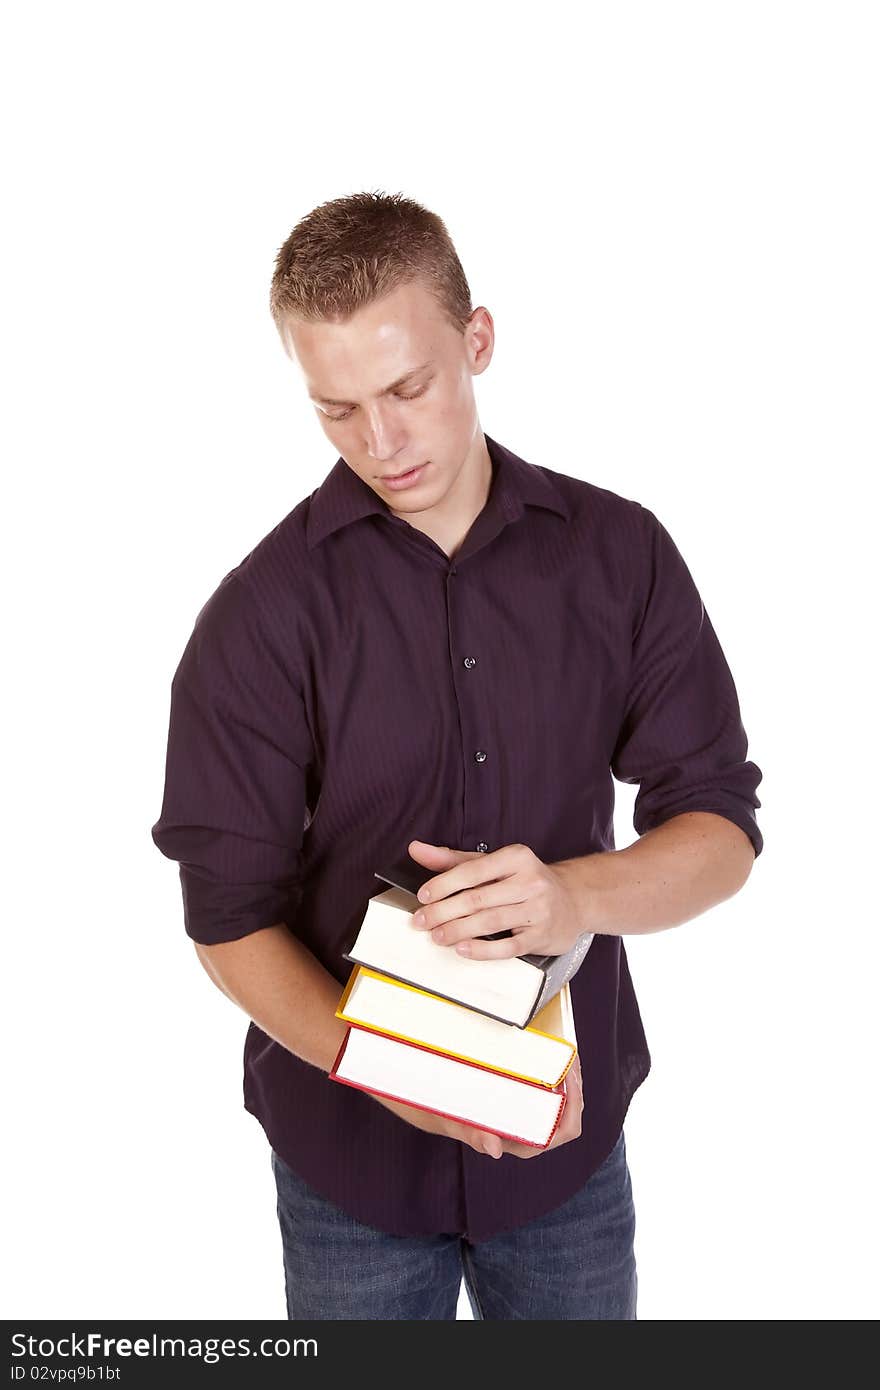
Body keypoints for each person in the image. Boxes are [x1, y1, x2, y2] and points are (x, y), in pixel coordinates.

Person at [151, 190, 763, 1321]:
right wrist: (388, 1066)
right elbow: (228, 919)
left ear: (476, 341)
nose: (379, 443)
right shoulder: (260, 614)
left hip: (566, 1156)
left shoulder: (619, 554)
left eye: (407, 389)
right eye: (335, 408)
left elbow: (719, 829)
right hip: (348, 1166)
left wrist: (572, 891)